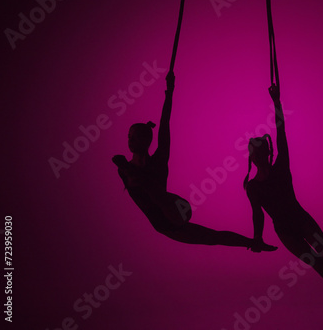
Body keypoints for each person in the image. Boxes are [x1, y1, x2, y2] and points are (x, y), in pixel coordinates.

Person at [112, 71, 277, 252]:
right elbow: (215, 237)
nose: (130, 141)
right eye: (129, 137)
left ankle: (254, 242)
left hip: (176, 209)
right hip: (166, 225)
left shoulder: (158, 160)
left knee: (151, 189)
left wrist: (169, 92)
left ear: (145, 140)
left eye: (134, 137)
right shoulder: (124, 169)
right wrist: (253, 242)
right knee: (212, 238)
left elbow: (165, 125)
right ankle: (254, 243)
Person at [243, 84, 323, 305]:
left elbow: (280, 131)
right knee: (318, 265)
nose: (256, 156)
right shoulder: (252, 187)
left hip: (301, 220)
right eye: (254, 153)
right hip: (285, 232)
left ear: (265, 153)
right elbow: (258, 215)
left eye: (258, 152)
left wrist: (276, 102)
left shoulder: (281, 166)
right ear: (253, 157)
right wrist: (257, 238)